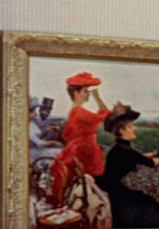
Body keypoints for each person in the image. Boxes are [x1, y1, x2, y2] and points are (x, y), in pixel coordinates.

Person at [93, 107, 159, 229]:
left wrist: (155, 153)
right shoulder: (123, 150)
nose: (134, 129)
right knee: (149, 208)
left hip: (112, 187)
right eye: (130, 127)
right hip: (114, 191)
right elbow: (150, 162)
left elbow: (138, 157)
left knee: (146, 206)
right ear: (121, 131)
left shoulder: (120, 147)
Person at [44, 71, 111, 209]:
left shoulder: (76, 111)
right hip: (85, 151)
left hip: (84, 149)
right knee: (88, 185)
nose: (88, 94)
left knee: (85, 185)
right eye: (85, 91)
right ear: (76, 93)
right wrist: (98, 98)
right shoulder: (79, 112)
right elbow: (106, 116)